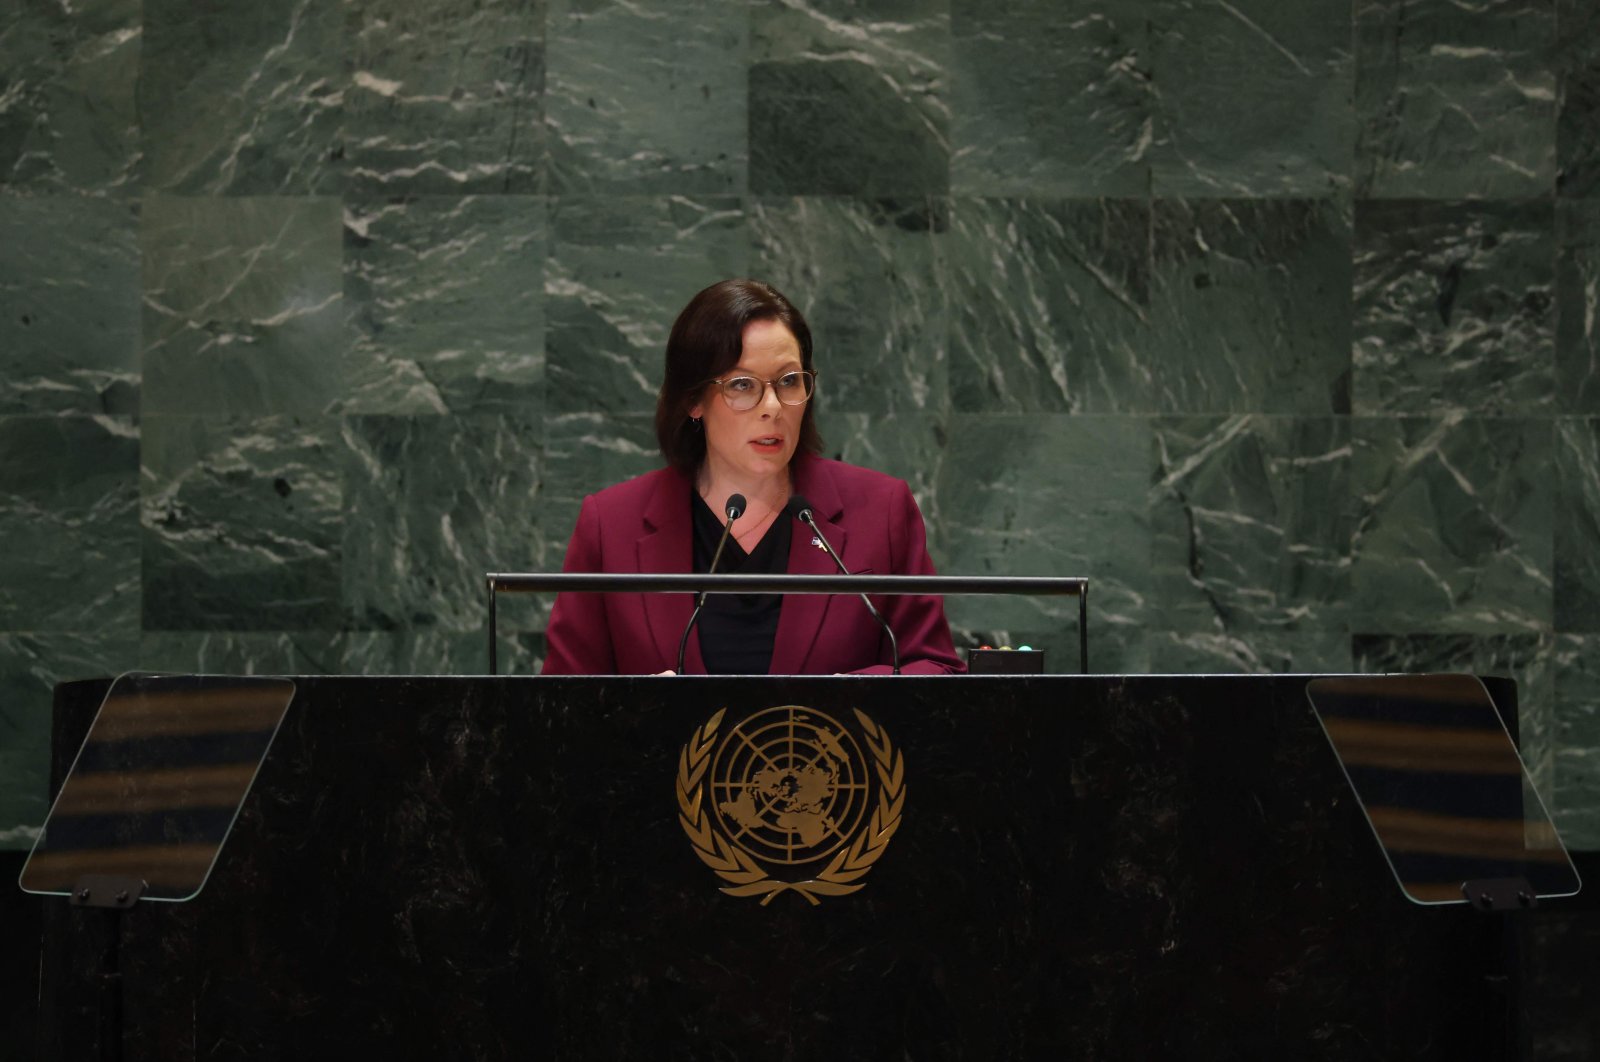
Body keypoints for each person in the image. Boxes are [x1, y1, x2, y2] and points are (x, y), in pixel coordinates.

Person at [540, 279, 961, 676]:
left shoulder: (881, 510)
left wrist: (844, 698)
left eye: (789, 381)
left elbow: (935, 667)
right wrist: (640, 710)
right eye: (742, 385)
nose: (773, 407)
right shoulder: (610, 525)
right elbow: (556, 704)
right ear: (693, 400)